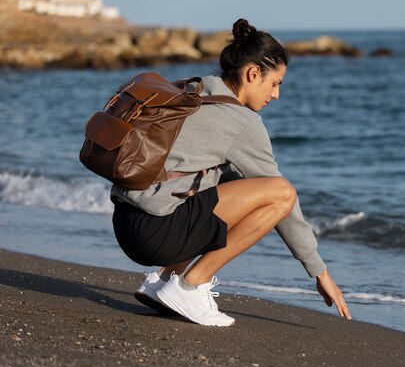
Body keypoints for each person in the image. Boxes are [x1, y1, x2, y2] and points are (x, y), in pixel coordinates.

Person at [110, 18, 351, 326]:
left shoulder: (191, 89)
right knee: (281, 195)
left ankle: (163, 280)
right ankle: (189, 285)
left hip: (125, 221)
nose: (275, 95)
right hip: (155, 233)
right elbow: (281, 199)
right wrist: (319, 271)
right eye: (275, 84)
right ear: (253, 73)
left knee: (232, 181)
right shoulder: (242, 122)